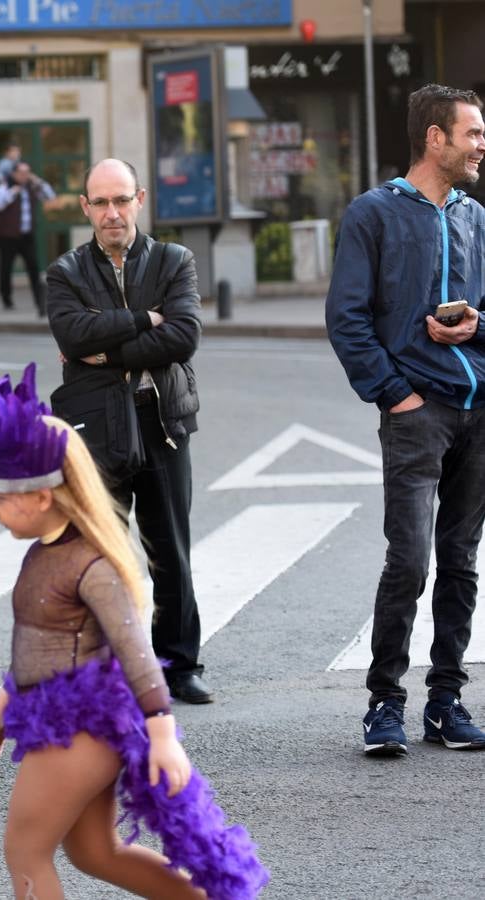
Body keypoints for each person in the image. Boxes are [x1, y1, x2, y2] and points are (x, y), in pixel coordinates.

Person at [0, 364, 267, 899]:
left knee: (25, 849)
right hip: (63, 720)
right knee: (93, 852)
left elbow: (137, 655)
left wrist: (164, 739)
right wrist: (1, 704)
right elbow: (40, 642)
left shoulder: (91, 565)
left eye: (3, 496)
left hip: (82, 728)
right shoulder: (43, 554)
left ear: (42, 496)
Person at [327, 83, 485, 756]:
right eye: (471, 133)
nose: (480, 144)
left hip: (476, 411)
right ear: (434, 138)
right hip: (415, 413)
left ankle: (445, 702)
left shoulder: (474, 217)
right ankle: (383, 703)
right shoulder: (372, 214)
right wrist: (395, 395)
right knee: (409, 561)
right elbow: (346, 319)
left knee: (460, 563)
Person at [45, 158, 210, 705]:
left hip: (161, 422)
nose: (112, 213)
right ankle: (110, 668)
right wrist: (145, 320)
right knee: (102, 554)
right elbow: (70, 332)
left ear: (139, 199)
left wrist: (102, 349)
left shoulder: (173, 260)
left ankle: (180, 664)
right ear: (86, 207)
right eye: (101, 203)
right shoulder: (66, 271)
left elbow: (183, 336)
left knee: (171, 550)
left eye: (121, 200)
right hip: (98, 426)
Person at [0, 160, 59, 314]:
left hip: (27, 236)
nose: (24, 176)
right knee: (6, 268)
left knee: (34, 269)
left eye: (27, 173)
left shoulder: (33, 187)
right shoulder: (4, 187)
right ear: (14, 174)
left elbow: (50, 196)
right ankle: (6, 299)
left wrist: (38, 180)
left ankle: (40, 303)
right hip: (8, 236)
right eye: (21, 173)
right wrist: (11, 194)